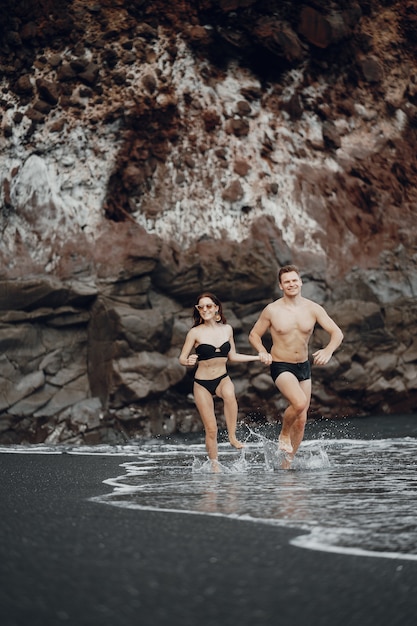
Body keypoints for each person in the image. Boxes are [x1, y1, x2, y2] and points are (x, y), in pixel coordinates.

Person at [249, 265, 343, 467]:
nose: (291, 284)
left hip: (303, 367)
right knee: (299, 403)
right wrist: (262, 351)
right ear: (281, 286)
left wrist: (328, 351)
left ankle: (287, 465)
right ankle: (283, 434)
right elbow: (254, 334)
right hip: (281, 365)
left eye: (294, 280)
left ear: (300, 282)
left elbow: (337, 333)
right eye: (287, 282)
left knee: (301, 420)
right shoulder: (272, 310)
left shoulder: (313, 308)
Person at [179, 292, 262, 471]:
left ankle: (232, 436)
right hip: (202, 383)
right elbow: (182, 358)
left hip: (222, 378)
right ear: (198, 310)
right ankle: (214, 466)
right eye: (201, 307)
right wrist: (189, 360)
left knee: (230, 394)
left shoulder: (227, 329)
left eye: (209, 306)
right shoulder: (194, 333)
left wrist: (257, 357)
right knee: (211, 430)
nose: (205, 310)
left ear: (216, 307)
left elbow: (232, 356)